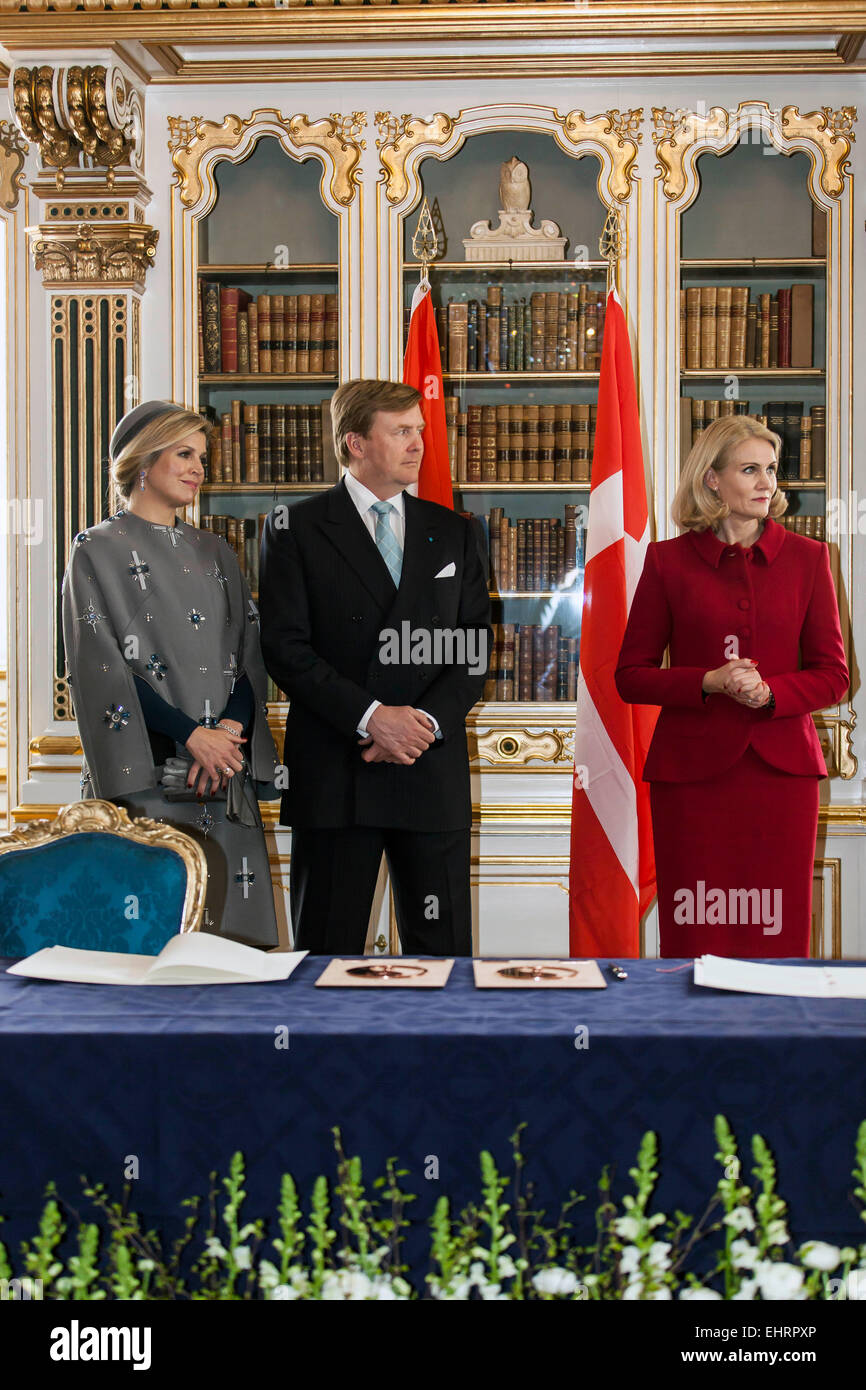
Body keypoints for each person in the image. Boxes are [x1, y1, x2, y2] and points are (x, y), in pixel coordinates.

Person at [258, 378, 491, 956]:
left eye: (420, 430)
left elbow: (473, 648)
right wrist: (372, 718)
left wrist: (420, 726)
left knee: (443, 960)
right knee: (325, 959)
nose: (419, 444)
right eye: (401, 431)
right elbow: (285, 648)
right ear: (355, 443)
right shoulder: (295, 528)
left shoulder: (455, 531)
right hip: (337, 773)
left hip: (428, 768)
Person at [615, 414, 849, 959]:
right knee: (696, 929)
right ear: (712, 479)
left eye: (772, 469)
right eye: (750, 470)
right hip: (691, 781)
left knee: (776, 931)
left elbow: (834, 675)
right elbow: (630, 675)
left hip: (782, 777)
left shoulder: (811, 559)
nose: (767, 482)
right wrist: (708, 681)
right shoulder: (667, 561)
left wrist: (772, 694)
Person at [61, 400, 280, 949]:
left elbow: (247, 657)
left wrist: (226, 734)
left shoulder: (215, 550)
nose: (198, 469)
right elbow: (100, 669)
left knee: (229, 953)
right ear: (143, 460)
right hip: (148, 781)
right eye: (184, 454)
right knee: (147, 947)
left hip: (222, 778)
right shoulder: (95, 549)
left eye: (202, 457)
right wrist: (191, 736)